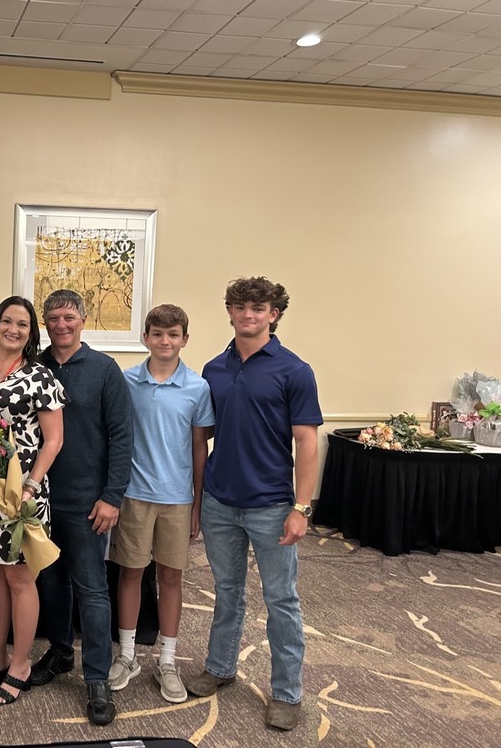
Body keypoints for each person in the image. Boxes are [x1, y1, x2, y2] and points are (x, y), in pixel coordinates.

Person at [183, 277, 322, 732]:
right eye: (240, 307)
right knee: (228, 593)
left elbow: (306, 442)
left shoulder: (294, 370)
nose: (249, 315)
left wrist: (301, 508)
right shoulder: (213, 369)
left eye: (258, 308)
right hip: (222, 500)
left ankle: (287, 692)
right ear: (229, 312)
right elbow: (200, 440)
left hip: (272, 505)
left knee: (281, 599)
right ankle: (221, 667)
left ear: (274, 314)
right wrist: (198, 501)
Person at [0, 296, 66, 706]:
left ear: (31, 333)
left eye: (23, 324)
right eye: (7, 321)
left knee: (20, 577)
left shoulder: (41, 378)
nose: (14, 330)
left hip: (23, 492)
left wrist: (31, 486)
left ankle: (21, 662)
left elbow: (53, 441)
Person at [34, 289, 132, 726]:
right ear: (44, 321)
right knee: (51, 582)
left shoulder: (105, 370)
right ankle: (59, 652)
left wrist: (112, 497)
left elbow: (122, 438)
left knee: (92, 588)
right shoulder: (33, 368)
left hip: (87, 500)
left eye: (69, 317)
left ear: (83, 319)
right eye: (53, 317)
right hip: (38, 498)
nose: (61, 325)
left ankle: (97, 678)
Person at [109, 304, 214, 704]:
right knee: (131, 575)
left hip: (177, 500)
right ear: (145, 338)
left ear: (184, 339)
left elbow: (199, 449)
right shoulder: (127, 381)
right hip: (134, 496)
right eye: (157, 334)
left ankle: (167, 661)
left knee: (171, 579)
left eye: (173, 335)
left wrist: (197, 504)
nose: (165, 341)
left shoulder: (197, 387)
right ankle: (128, 655)